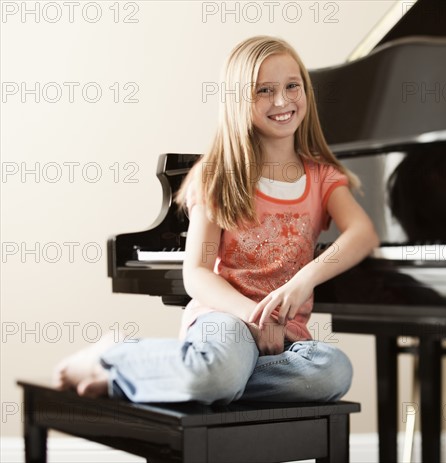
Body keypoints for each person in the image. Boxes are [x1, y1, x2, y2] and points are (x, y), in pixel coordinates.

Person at [53, 35, 379, 404]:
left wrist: (302, 283)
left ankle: (166, 375)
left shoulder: (321, 178)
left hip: (286, 336)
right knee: (222, 369)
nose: (282, 101)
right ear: (239, 99)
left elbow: (362, 233)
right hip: (225, 321)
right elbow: (197, 273)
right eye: (264, 91)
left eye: (292, 86)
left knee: (333, 371)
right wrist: (253, 318)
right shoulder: (218, 174)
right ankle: (115, 356)